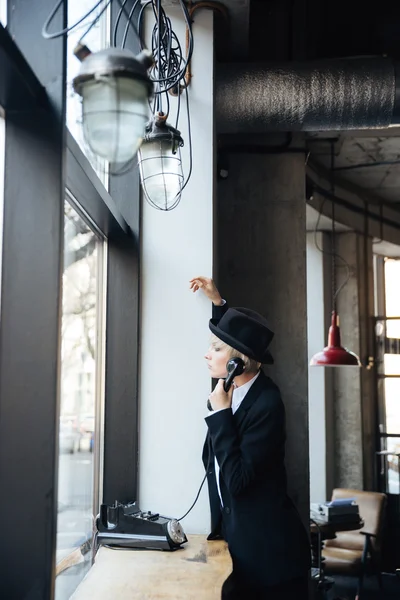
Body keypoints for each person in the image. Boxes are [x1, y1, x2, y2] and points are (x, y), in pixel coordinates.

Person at [189, 276, 311, 600]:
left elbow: (238, 481)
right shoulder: (229, 386)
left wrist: (220, 417)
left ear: (236, 361)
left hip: (271, 562)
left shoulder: (267, 403)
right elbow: (232, 337)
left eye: (215, 349)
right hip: (238, 550)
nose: (206, 354)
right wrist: (218, 303)